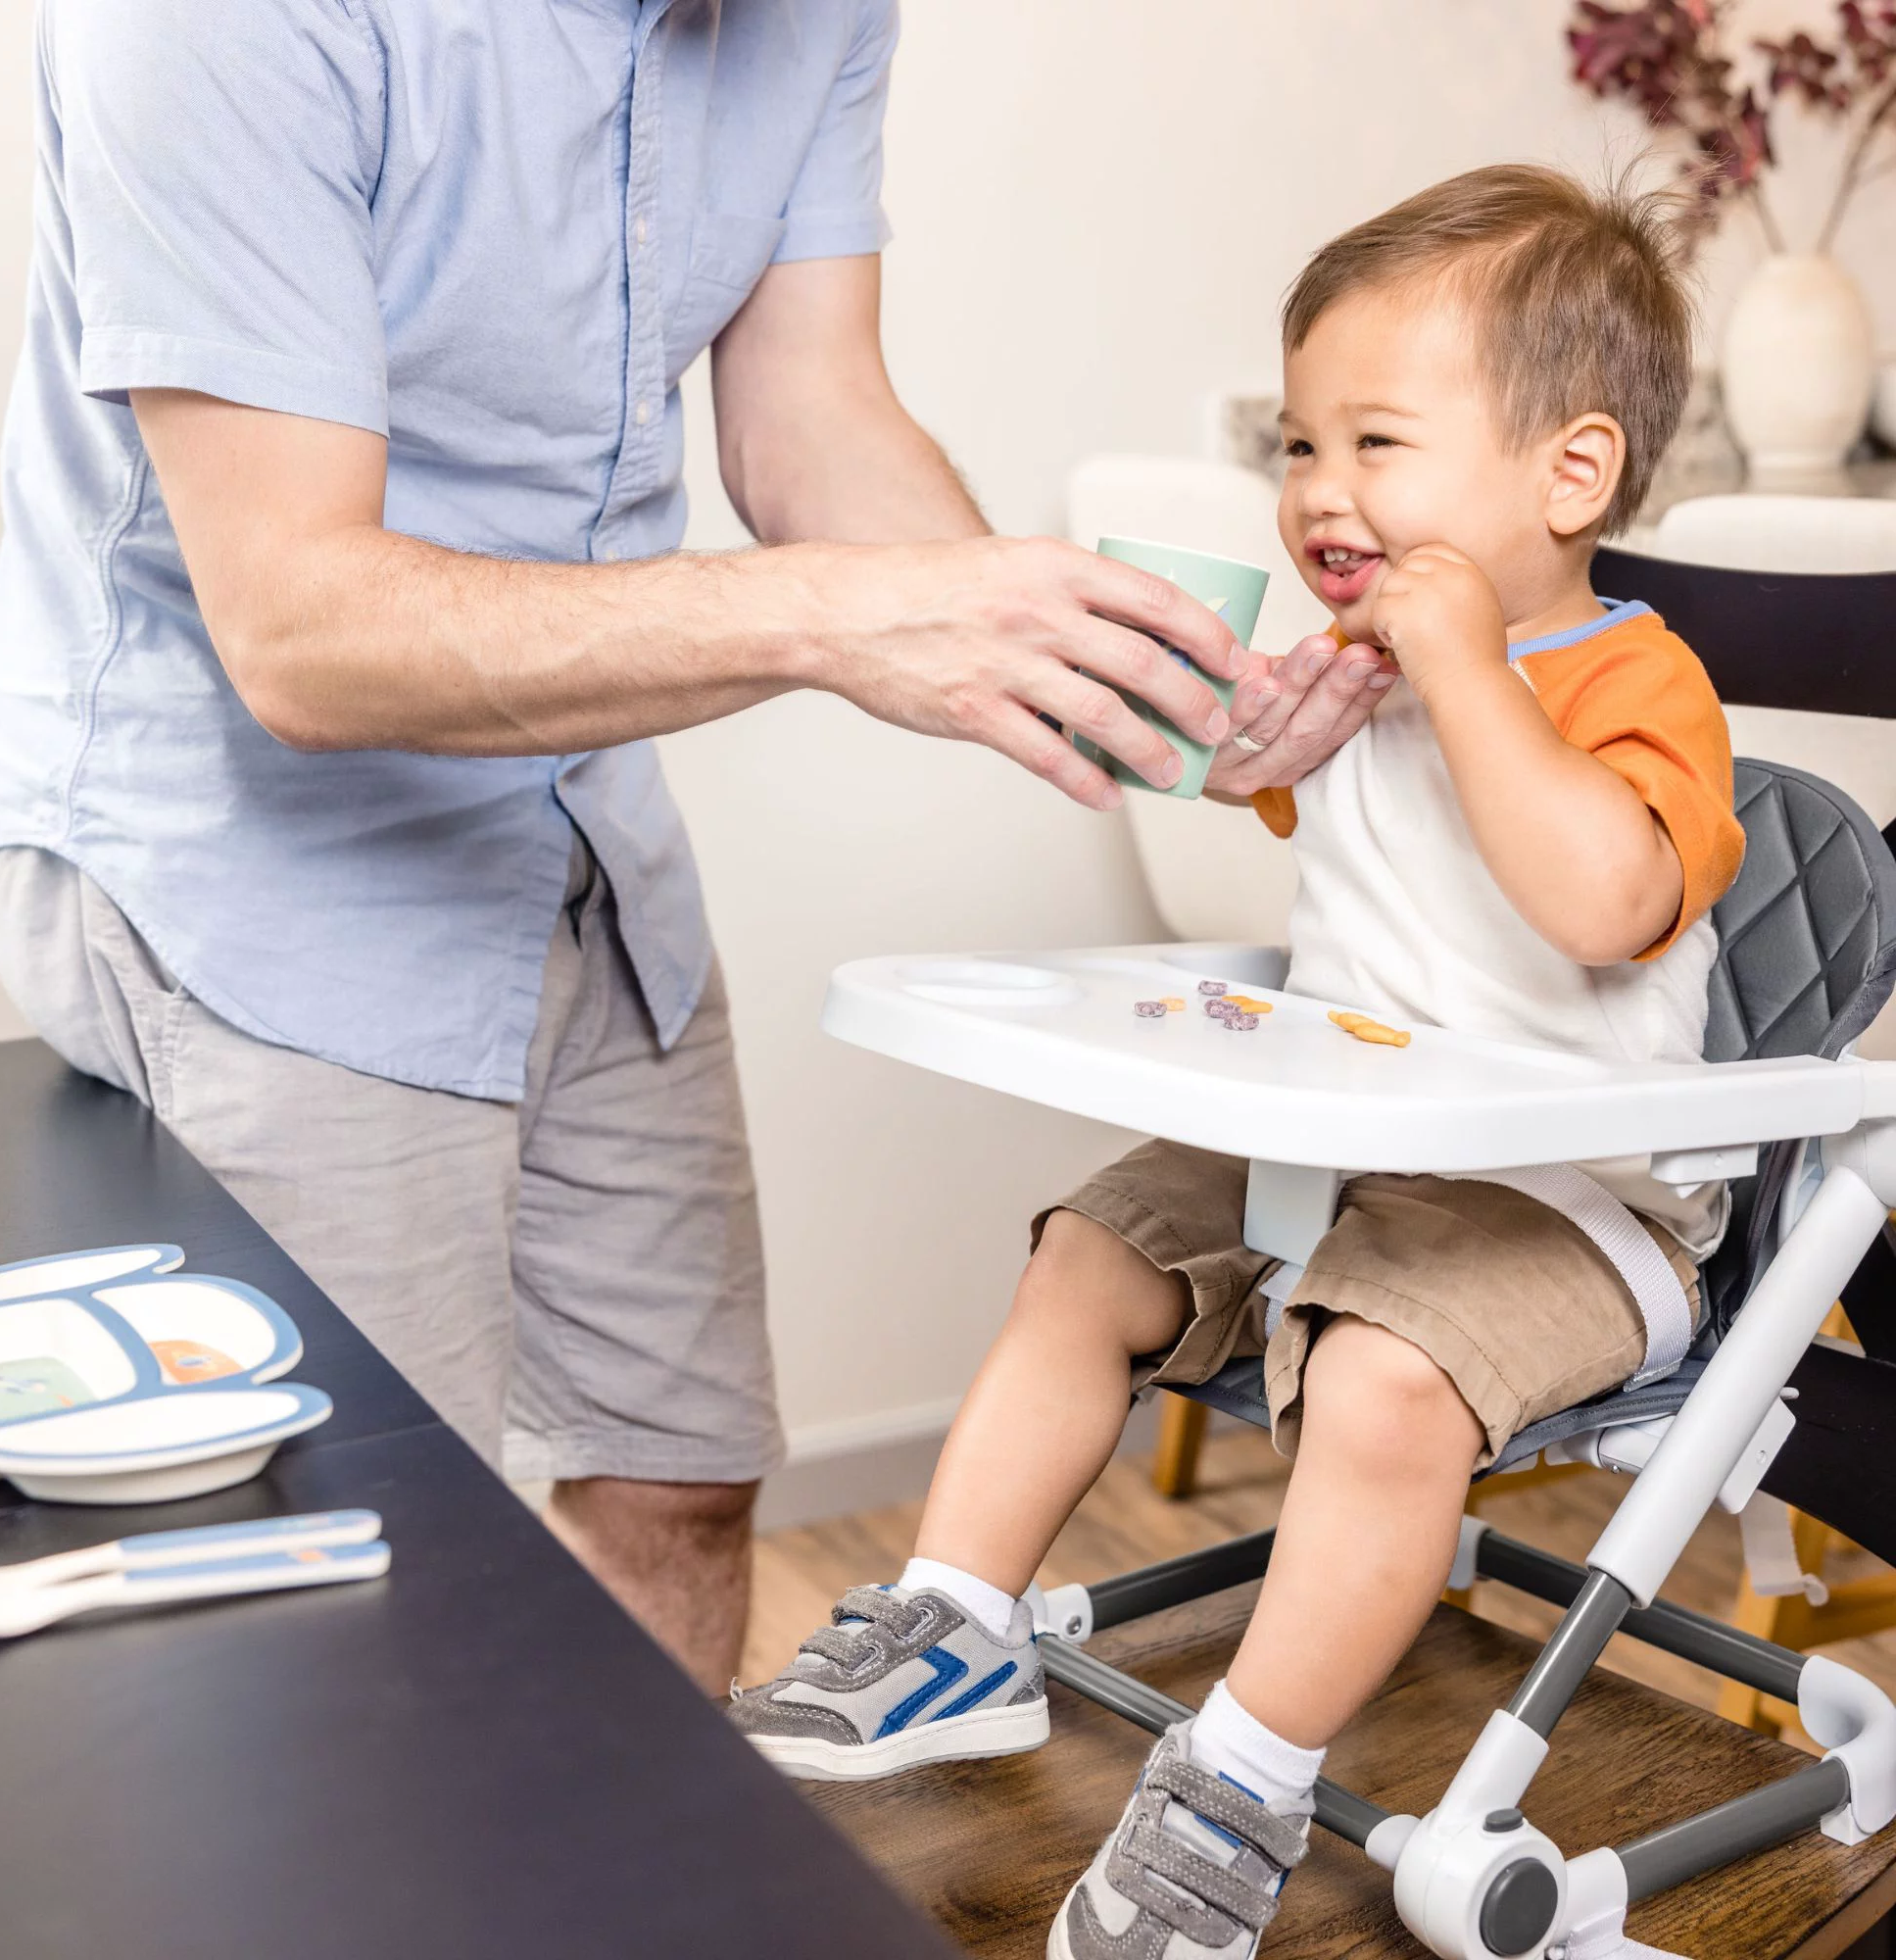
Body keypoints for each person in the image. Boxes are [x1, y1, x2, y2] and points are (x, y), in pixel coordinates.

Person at [0, 0, 1385, 1696]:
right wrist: (832, 619)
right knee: (360, 1568)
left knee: (683, 1478)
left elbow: (811, 421)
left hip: (577, 829)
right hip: (251, 869)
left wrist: (1101, 675)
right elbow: (299, 632)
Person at [729, 164, 1746, 1957]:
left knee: (1377, 1383)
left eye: (1377, 444)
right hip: (1342, 1153)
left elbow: (1603, 903)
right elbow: (1241, 781)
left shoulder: (1630, 682)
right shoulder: (1365, 669)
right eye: (1298, 446)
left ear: (1570, 475)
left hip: (1573, 1203)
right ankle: (956, 1629)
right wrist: (1239, 723)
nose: (1320, 491)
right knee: (1088, 1251)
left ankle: (1242, 1781)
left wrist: (1467, 671)